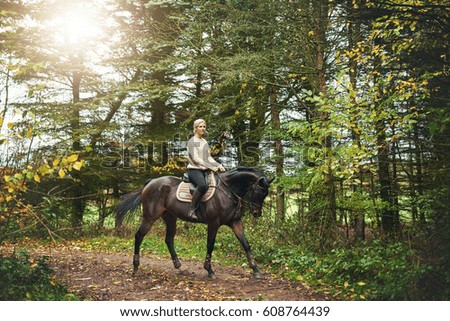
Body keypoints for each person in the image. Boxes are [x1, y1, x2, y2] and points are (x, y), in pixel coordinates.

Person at [186, 118, 225, 220]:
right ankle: (191, 209)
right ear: (195, 128)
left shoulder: (204, 142)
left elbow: (208, 158)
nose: (203, 128)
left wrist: (218, 165)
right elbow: (196, 159)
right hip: (194, 170)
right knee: (202, 185)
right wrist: (211, 166)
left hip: (204, 170)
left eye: (204, 126)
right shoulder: (192, 141)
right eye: (200, 126)